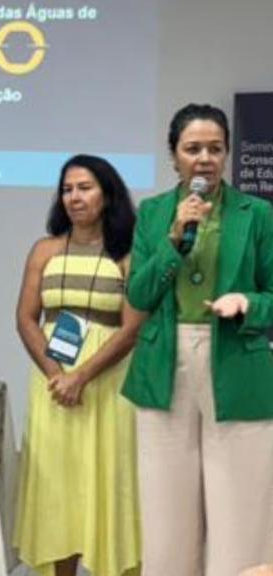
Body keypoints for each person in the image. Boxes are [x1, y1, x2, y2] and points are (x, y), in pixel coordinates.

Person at [123, 103, 273, 576]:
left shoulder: (258, 214)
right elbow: (139, 294)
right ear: (174, 156)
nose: (205, 158)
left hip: (237, 360)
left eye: (215, 148)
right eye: (193, 149)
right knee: (166, 511)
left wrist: (248, 303)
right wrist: (173, 239)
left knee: (241, 510)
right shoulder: (154, 213)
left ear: (227, 153)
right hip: (164, 365)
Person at [14, 154, 143, 576]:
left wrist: (81, 377)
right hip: (53, 387)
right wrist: (58, 376)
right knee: (57, 488)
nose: (74, 197)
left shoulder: (129, 253)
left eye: (85, 188)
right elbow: (25, 318)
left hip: (108, 385)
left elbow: (132, 329)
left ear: (108, 194)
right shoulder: (45, 249)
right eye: (67, 189)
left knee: (107, 481)